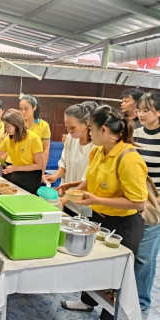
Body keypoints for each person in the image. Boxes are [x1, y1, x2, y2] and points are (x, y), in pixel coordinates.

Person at [60, 105, 148, 320]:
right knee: (93, 265)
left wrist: (97, 199)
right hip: (100, 218)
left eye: (91, 129)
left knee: (114, 275)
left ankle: (109, 316)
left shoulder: (128, 158)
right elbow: (90, 181)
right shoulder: (99, 151)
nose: (88, 134)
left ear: (105, 130)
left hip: (125, 225)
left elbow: (138, 202)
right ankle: (86, 301)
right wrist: (68, 194)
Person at [43, 102, 98, 217]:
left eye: (73, 127)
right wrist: (56, 176)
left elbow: (88, 180)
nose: (69, 131)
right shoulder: (70, 138)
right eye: (67, 127)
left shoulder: (97, 145)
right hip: (66, 198)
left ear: (86, 124)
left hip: (84, 203)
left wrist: (67, 198)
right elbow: (64, 162)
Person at [133, 92, 160, 311]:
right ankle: (122, 297)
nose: (140, 114)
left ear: (158, 112)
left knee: (145, 255)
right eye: (139, 110)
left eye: (145, 110)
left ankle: (141, 302)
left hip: (154, 204)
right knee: (130, 250)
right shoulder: (136, 133)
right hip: (133, 199)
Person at [18, 94, 51, 171]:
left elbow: (45, 150)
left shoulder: (43, 125)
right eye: (20, 109)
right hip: (17, 166)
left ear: (34, 107)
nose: (23, 112)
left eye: (26, 109)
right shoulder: (17, 124)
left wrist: (42, 170)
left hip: (34, 166)